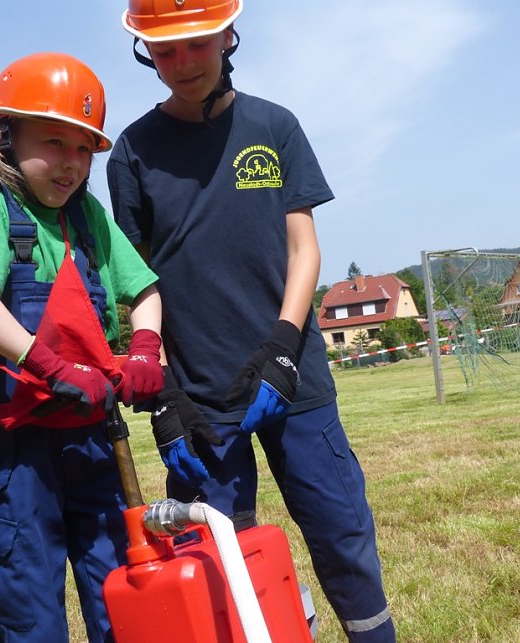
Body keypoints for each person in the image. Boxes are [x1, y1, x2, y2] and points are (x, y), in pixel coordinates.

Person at [106, 1, 396, 641]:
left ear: (226, 36)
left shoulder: (274, 125)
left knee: (342, 533)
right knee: (224, 558)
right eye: (163, 51)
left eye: (195, 45)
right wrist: (164, 395)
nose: (180, 63)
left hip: (293, 381)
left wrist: (285, 349)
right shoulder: (131, 153)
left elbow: (304, 247)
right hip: (201, 398)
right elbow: (135, 280)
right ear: (145, 54)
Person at [0, 52, 164, 643]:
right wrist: (48, 365)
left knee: (117, 586)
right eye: (54, 143)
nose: (71, 163)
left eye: (84, 149)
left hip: (94, 438)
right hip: (20, 449)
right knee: (30, 601)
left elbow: (144, 289)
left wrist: (144, 347)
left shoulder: (89, 217)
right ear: (5, 139)